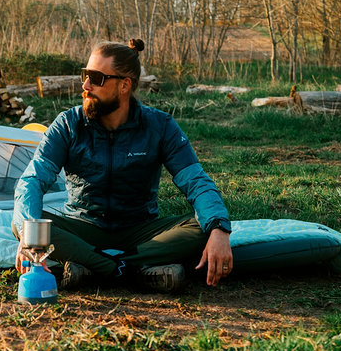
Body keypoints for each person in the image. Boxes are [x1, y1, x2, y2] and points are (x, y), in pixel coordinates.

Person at [13, 39, 233, 293]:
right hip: (83, 227)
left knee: (203, 226)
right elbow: (32, 180)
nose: (85, 86)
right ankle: (134, 270)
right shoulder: (68, 124)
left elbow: (196, 181)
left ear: (124, 85)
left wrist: (218, 228)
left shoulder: (159, 126)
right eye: (85, 75)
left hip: (140, 231)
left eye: (96, 78)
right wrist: (28, 230)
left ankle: (96, 267)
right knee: (25, 224)